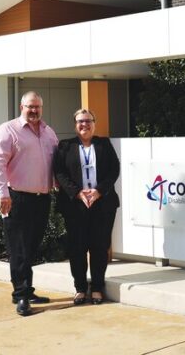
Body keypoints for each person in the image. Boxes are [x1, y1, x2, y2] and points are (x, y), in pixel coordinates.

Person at [0, 91, 59, 317]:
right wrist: (3, 193)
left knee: (30, 248)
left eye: (37, 106)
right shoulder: (8, 130)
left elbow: (55, 163)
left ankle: (26, 290)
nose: (34, 110)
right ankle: (21, 295)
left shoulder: (49, 133)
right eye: (30, 106)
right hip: (16, 198)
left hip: (42, 199)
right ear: (22, 107)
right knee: (18, 249)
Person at [53, 109, 120, 306]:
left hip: (102, 204)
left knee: (99, 247)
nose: (85, 124)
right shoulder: (65, 146)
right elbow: (59, 172)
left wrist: (99, 191)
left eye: (88, 121)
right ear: (75, 125)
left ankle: (97, 287)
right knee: (77, 248)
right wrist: (77, 193)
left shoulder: (104, 144)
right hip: (75, 205)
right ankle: (80, 288)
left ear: (94, 123)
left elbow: (114, 170)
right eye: (80, 121)